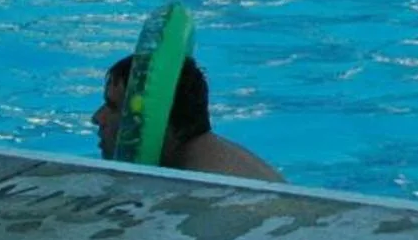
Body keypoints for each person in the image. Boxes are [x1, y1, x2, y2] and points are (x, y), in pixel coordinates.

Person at [93, 55, 284, 183]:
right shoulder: (215, 158)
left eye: (113, 107)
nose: (97, 118)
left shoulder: (199, 192)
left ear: (157, 122)